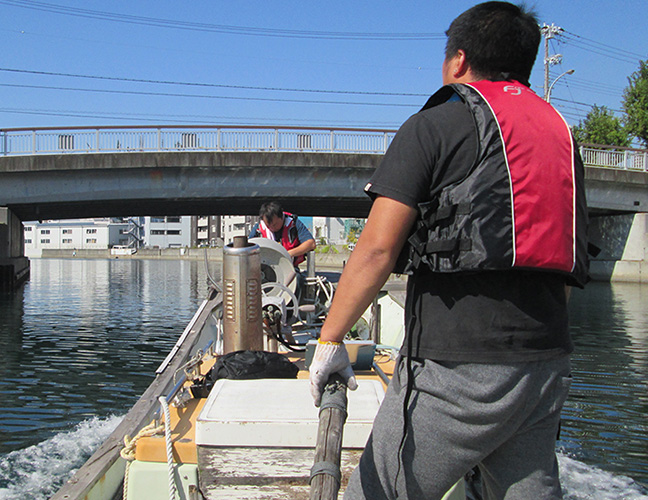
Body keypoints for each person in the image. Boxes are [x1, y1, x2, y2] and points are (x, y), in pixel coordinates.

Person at [308, 2, 590, 499]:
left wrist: (330, 343)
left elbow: (376, 249)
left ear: (458, 61)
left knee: (378, 493)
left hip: (454, 371)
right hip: (545, 367)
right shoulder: (563, 139)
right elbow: (563, 261)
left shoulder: (433, 127)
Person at [248, 201, 316, 267]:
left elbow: (311, 244)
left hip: (289, 267)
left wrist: (287, 254)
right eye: (268, 226)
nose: (271, 228)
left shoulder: (294, 223)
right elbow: (247, 246)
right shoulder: (258, 227)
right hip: (264, 267)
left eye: (275, 225)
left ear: (281, 217)